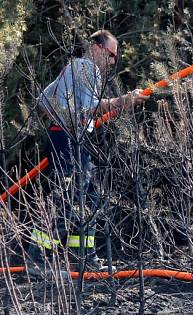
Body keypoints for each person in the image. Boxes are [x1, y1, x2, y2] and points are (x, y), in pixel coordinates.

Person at [26, 30, 149, 279]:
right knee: (66, 197)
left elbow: (42, 100)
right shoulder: (86, 67)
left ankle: (84, 257)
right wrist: (123, 100)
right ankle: (37, 258)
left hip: (66, 136)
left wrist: (62, 118)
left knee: (87, 197)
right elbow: (92, 107)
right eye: (111, 54)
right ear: (96, 48)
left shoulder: (72, 69)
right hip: (68, 139)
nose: (113, 61)